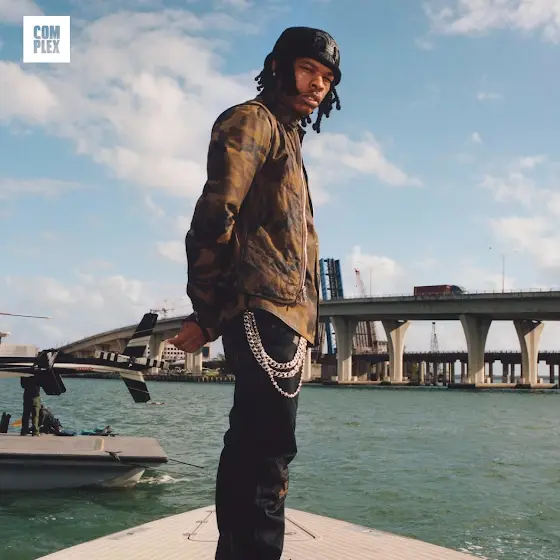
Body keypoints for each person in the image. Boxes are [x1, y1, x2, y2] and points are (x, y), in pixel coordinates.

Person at [169, 26, 342, 559]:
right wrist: (208, 310)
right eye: (308, 69)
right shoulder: (253, 121)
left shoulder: (288, 137)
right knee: (266, 452)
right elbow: (214, 216)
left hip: (282, 314)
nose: (318, 84)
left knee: (254, 447)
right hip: (264, 309)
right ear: (279, 67)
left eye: (327, 77)